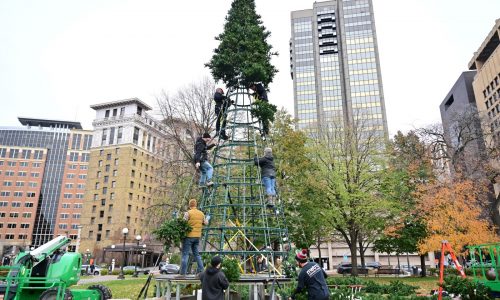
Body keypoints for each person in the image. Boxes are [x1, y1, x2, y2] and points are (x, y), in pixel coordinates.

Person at [180, 199, 209, 275]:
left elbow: (183, 222)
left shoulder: (188, 213)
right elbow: (205, 223)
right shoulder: (201, 214)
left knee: (185, 254)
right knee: (196, 254)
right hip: (197, 237)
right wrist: (208, 218)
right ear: (196, 205)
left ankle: (183, 273)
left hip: (189, 236)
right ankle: (202, 270)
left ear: (190, 205)